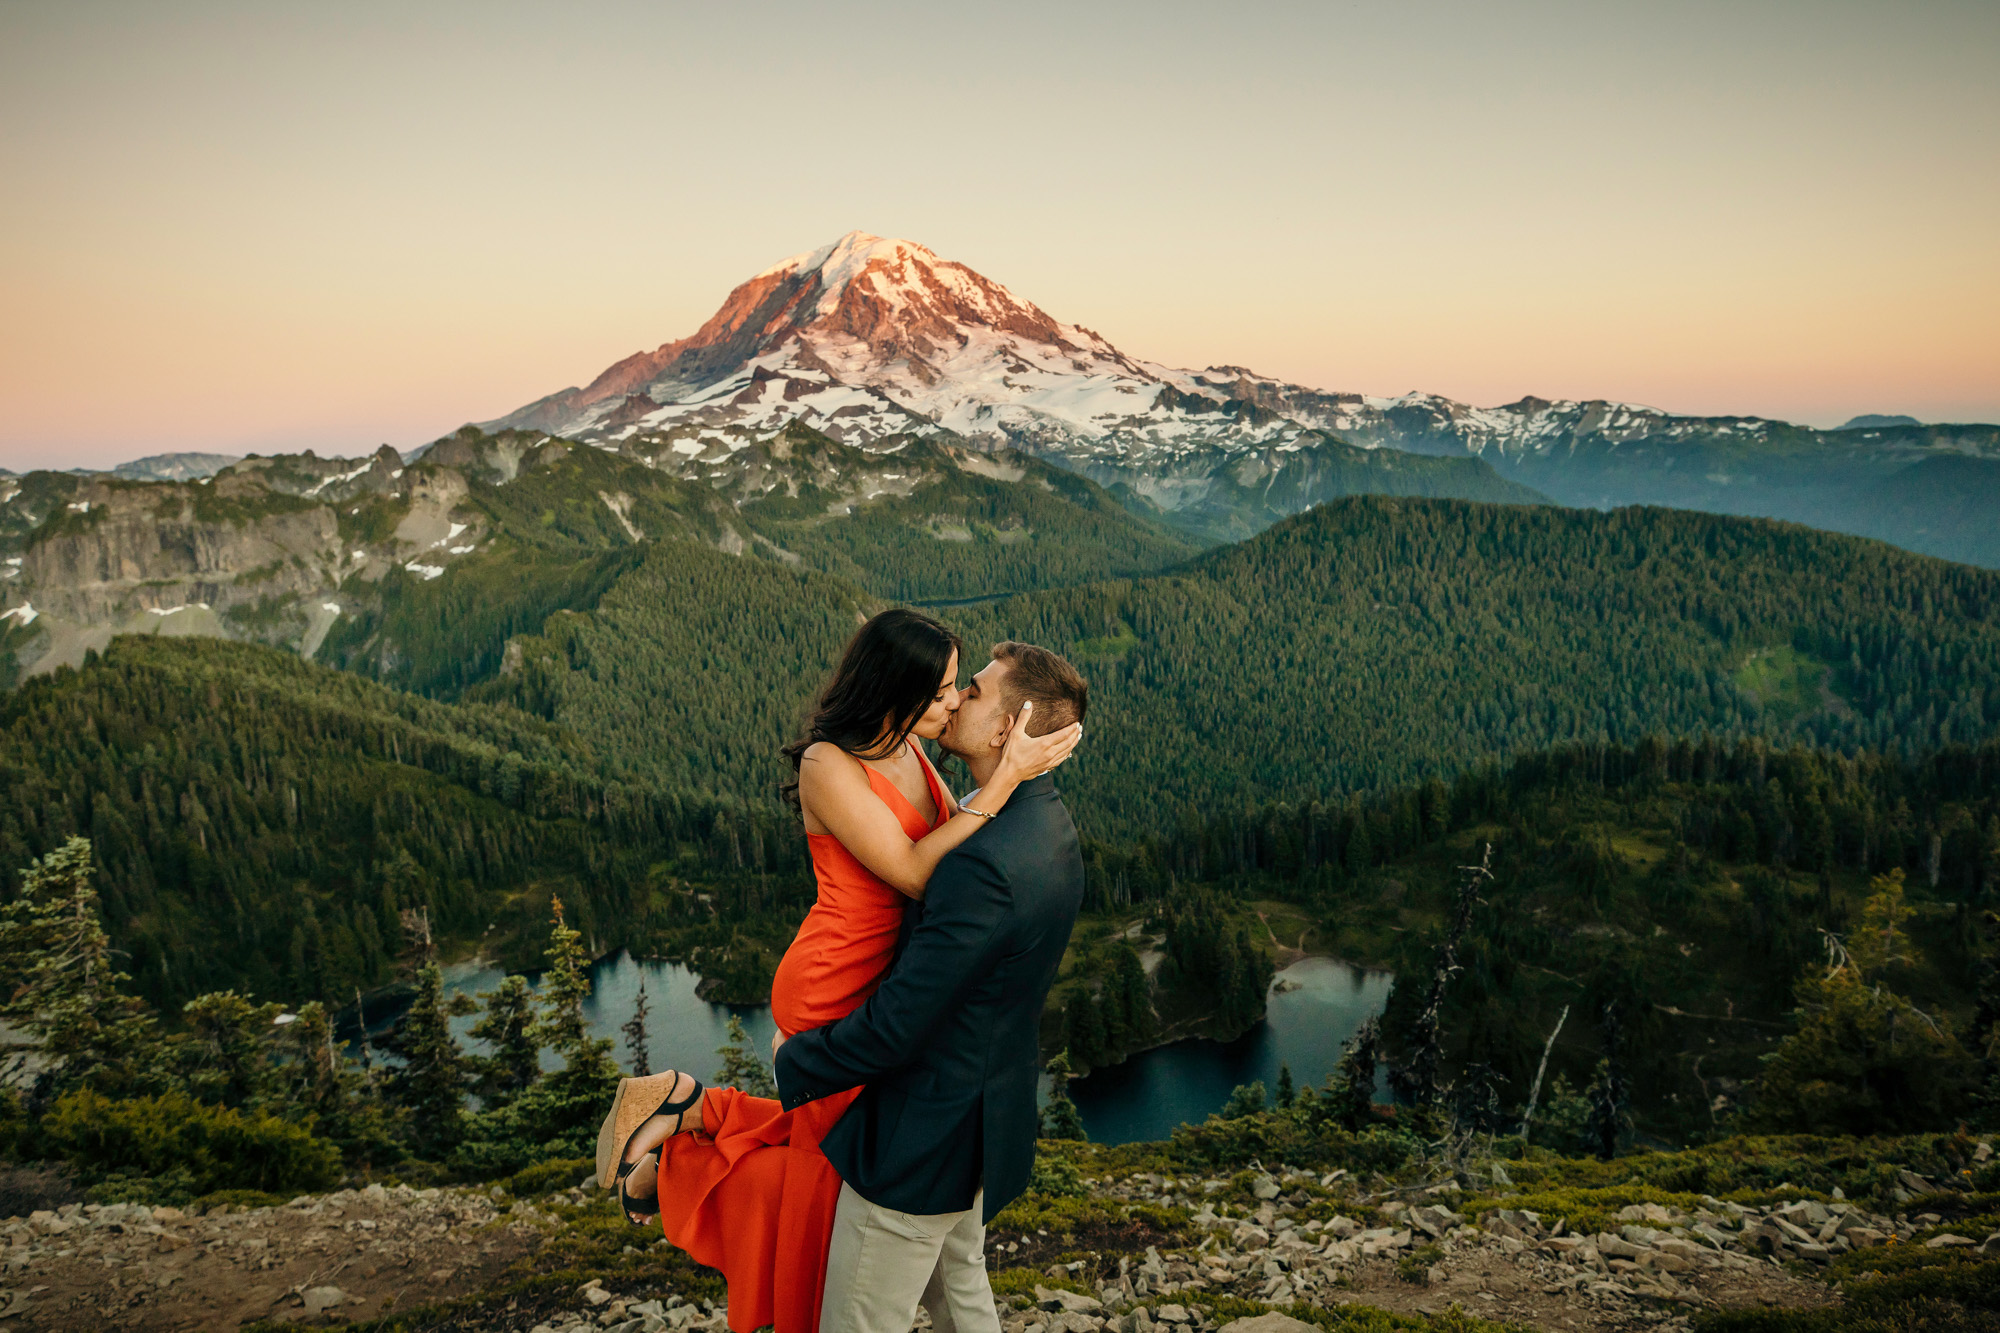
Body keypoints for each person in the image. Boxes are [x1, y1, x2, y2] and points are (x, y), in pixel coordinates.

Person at [592, 610, 1082, 1333]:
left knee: (830, 1170)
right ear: (902, 691)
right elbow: (920, 871)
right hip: (838, 971)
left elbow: (953, 867)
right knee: (825, 1172)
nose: (952, 703)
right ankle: (672, 1163)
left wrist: (998, 782)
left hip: (887, 984)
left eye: (962, 689)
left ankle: (687, 1109)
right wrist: (1005, 778)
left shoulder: (917, 753)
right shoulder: (832, 762)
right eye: (945, 689)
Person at [775, 641, 1089, 1333]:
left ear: (1008, 730)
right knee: (960, 1294)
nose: (952, 700)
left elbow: (899, 1021)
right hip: (982, 1120)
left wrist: (795, 1061)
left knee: (860, 1319)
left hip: (923, 1137)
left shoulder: (983, 861)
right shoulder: (1048, 827)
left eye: (971, 691)